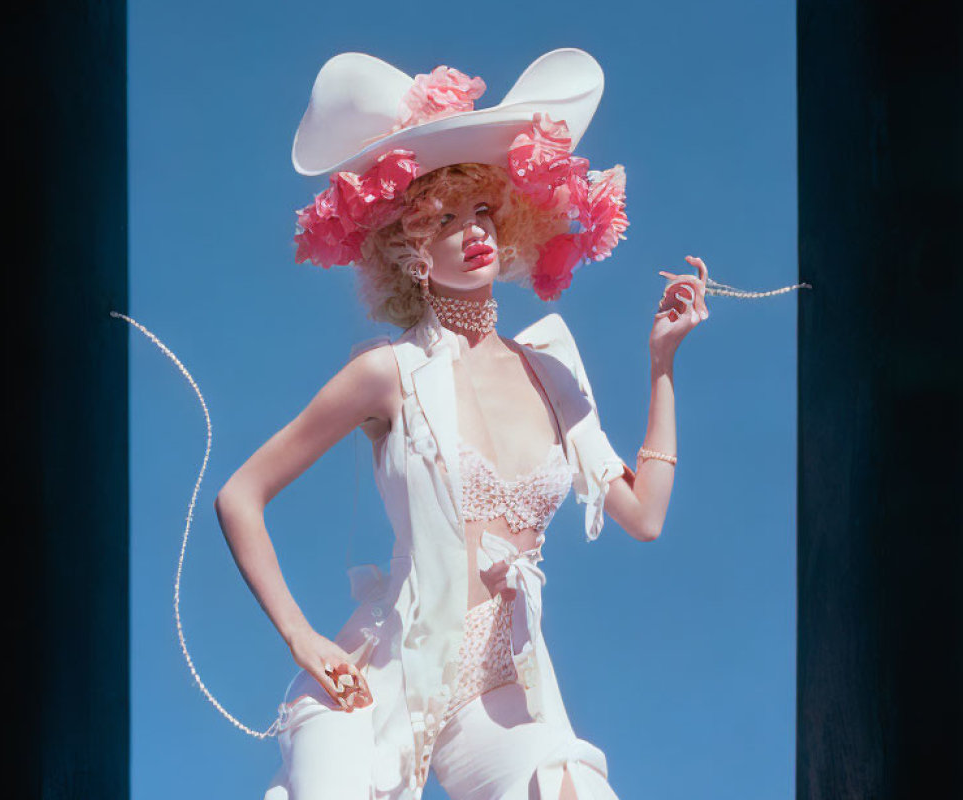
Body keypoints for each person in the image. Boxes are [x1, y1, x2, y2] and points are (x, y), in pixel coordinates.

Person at [212, 48, 709, 799]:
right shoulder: (389, 371)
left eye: (482, 210)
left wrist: (662, 363)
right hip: (377, 683)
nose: (473, 230)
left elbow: (644, 516)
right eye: (444, 218)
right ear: (409, 253)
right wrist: (303, 638)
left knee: (572, 786)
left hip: (498, 691)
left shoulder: (550, 365)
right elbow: (239, 495)